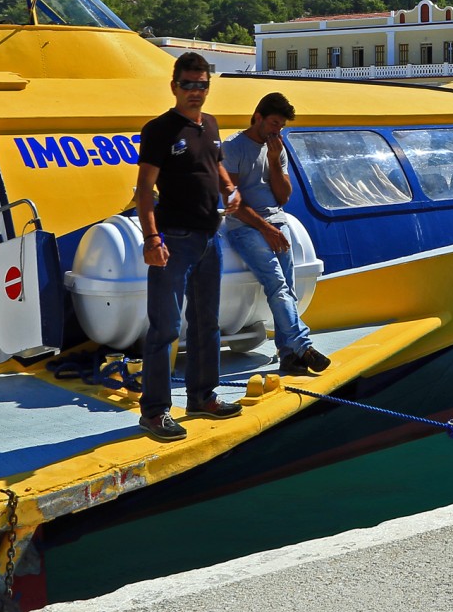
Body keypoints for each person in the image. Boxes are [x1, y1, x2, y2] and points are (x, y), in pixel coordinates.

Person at [135, 53, 243, 442]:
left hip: (209, 237)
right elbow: (144, 189)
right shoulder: (160, 129)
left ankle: (202, 397)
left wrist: (229, 188)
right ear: (174, 86)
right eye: (188, 85)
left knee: (206, 323)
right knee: (165, 328)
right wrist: (152, 239)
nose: (195, 92)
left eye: (202, 85)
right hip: (173, 240)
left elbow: (214, 164)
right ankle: (154, 412)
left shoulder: (210, 125)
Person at [222, 91, 331, 379]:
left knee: (289, 289)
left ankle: (288, 356)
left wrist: (273, 159)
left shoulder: (276, 149)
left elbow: (282, 197)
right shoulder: (232, 147)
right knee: (278, 285)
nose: (277, 130)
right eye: (273, 123)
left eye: (281, 125)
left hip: (276, 223)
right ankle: (303, 345)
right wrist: (265, 229)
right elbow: (231, 202)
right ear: (257, 117)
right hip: (246, 227)